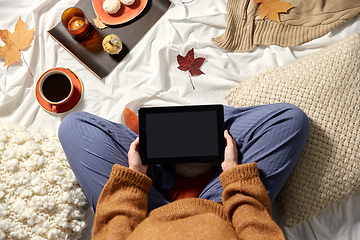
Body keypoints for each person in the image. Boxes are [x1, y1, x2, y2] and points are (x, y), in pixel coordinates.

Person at [58, 103, 310, 240]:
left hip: (146, 212)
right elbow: (257, 231)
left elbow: (112, 233)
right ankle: (196, 141)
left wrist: (134, 180)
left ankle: (161, 146)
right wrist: (234, 176)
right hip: (222, 210)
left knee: (73, 127)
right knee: (290, 120)